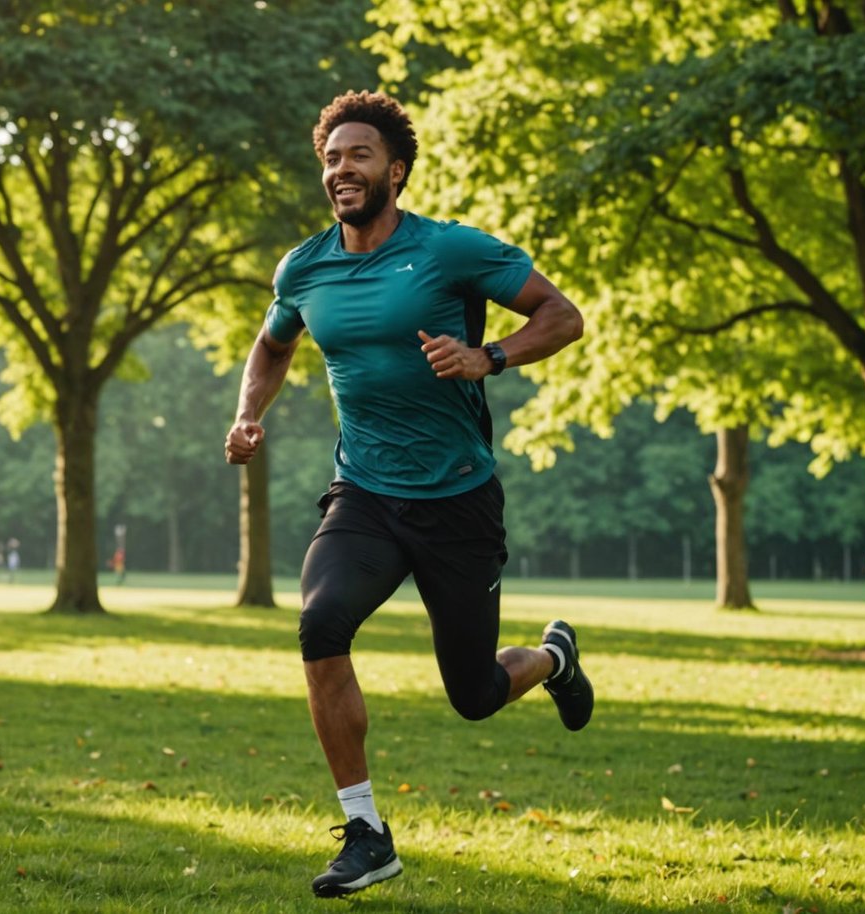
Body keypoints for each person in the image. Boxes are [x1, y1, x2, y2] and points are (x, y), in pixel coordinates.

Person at [223, 90, 591, 898]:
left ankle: (555, 657)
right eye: (330, 157)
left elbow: (564, 316)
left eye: (358, 155)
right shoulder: (304, 265)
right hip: (363, 491)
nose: (340, 169)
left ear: (396, 169)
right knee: (320, 624)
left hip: (457, 498)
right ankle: (366, 831)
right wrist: (249, 414)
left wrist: (488, 356)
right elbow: (270, 345)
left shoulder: (454, 251)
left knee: (475, 693)